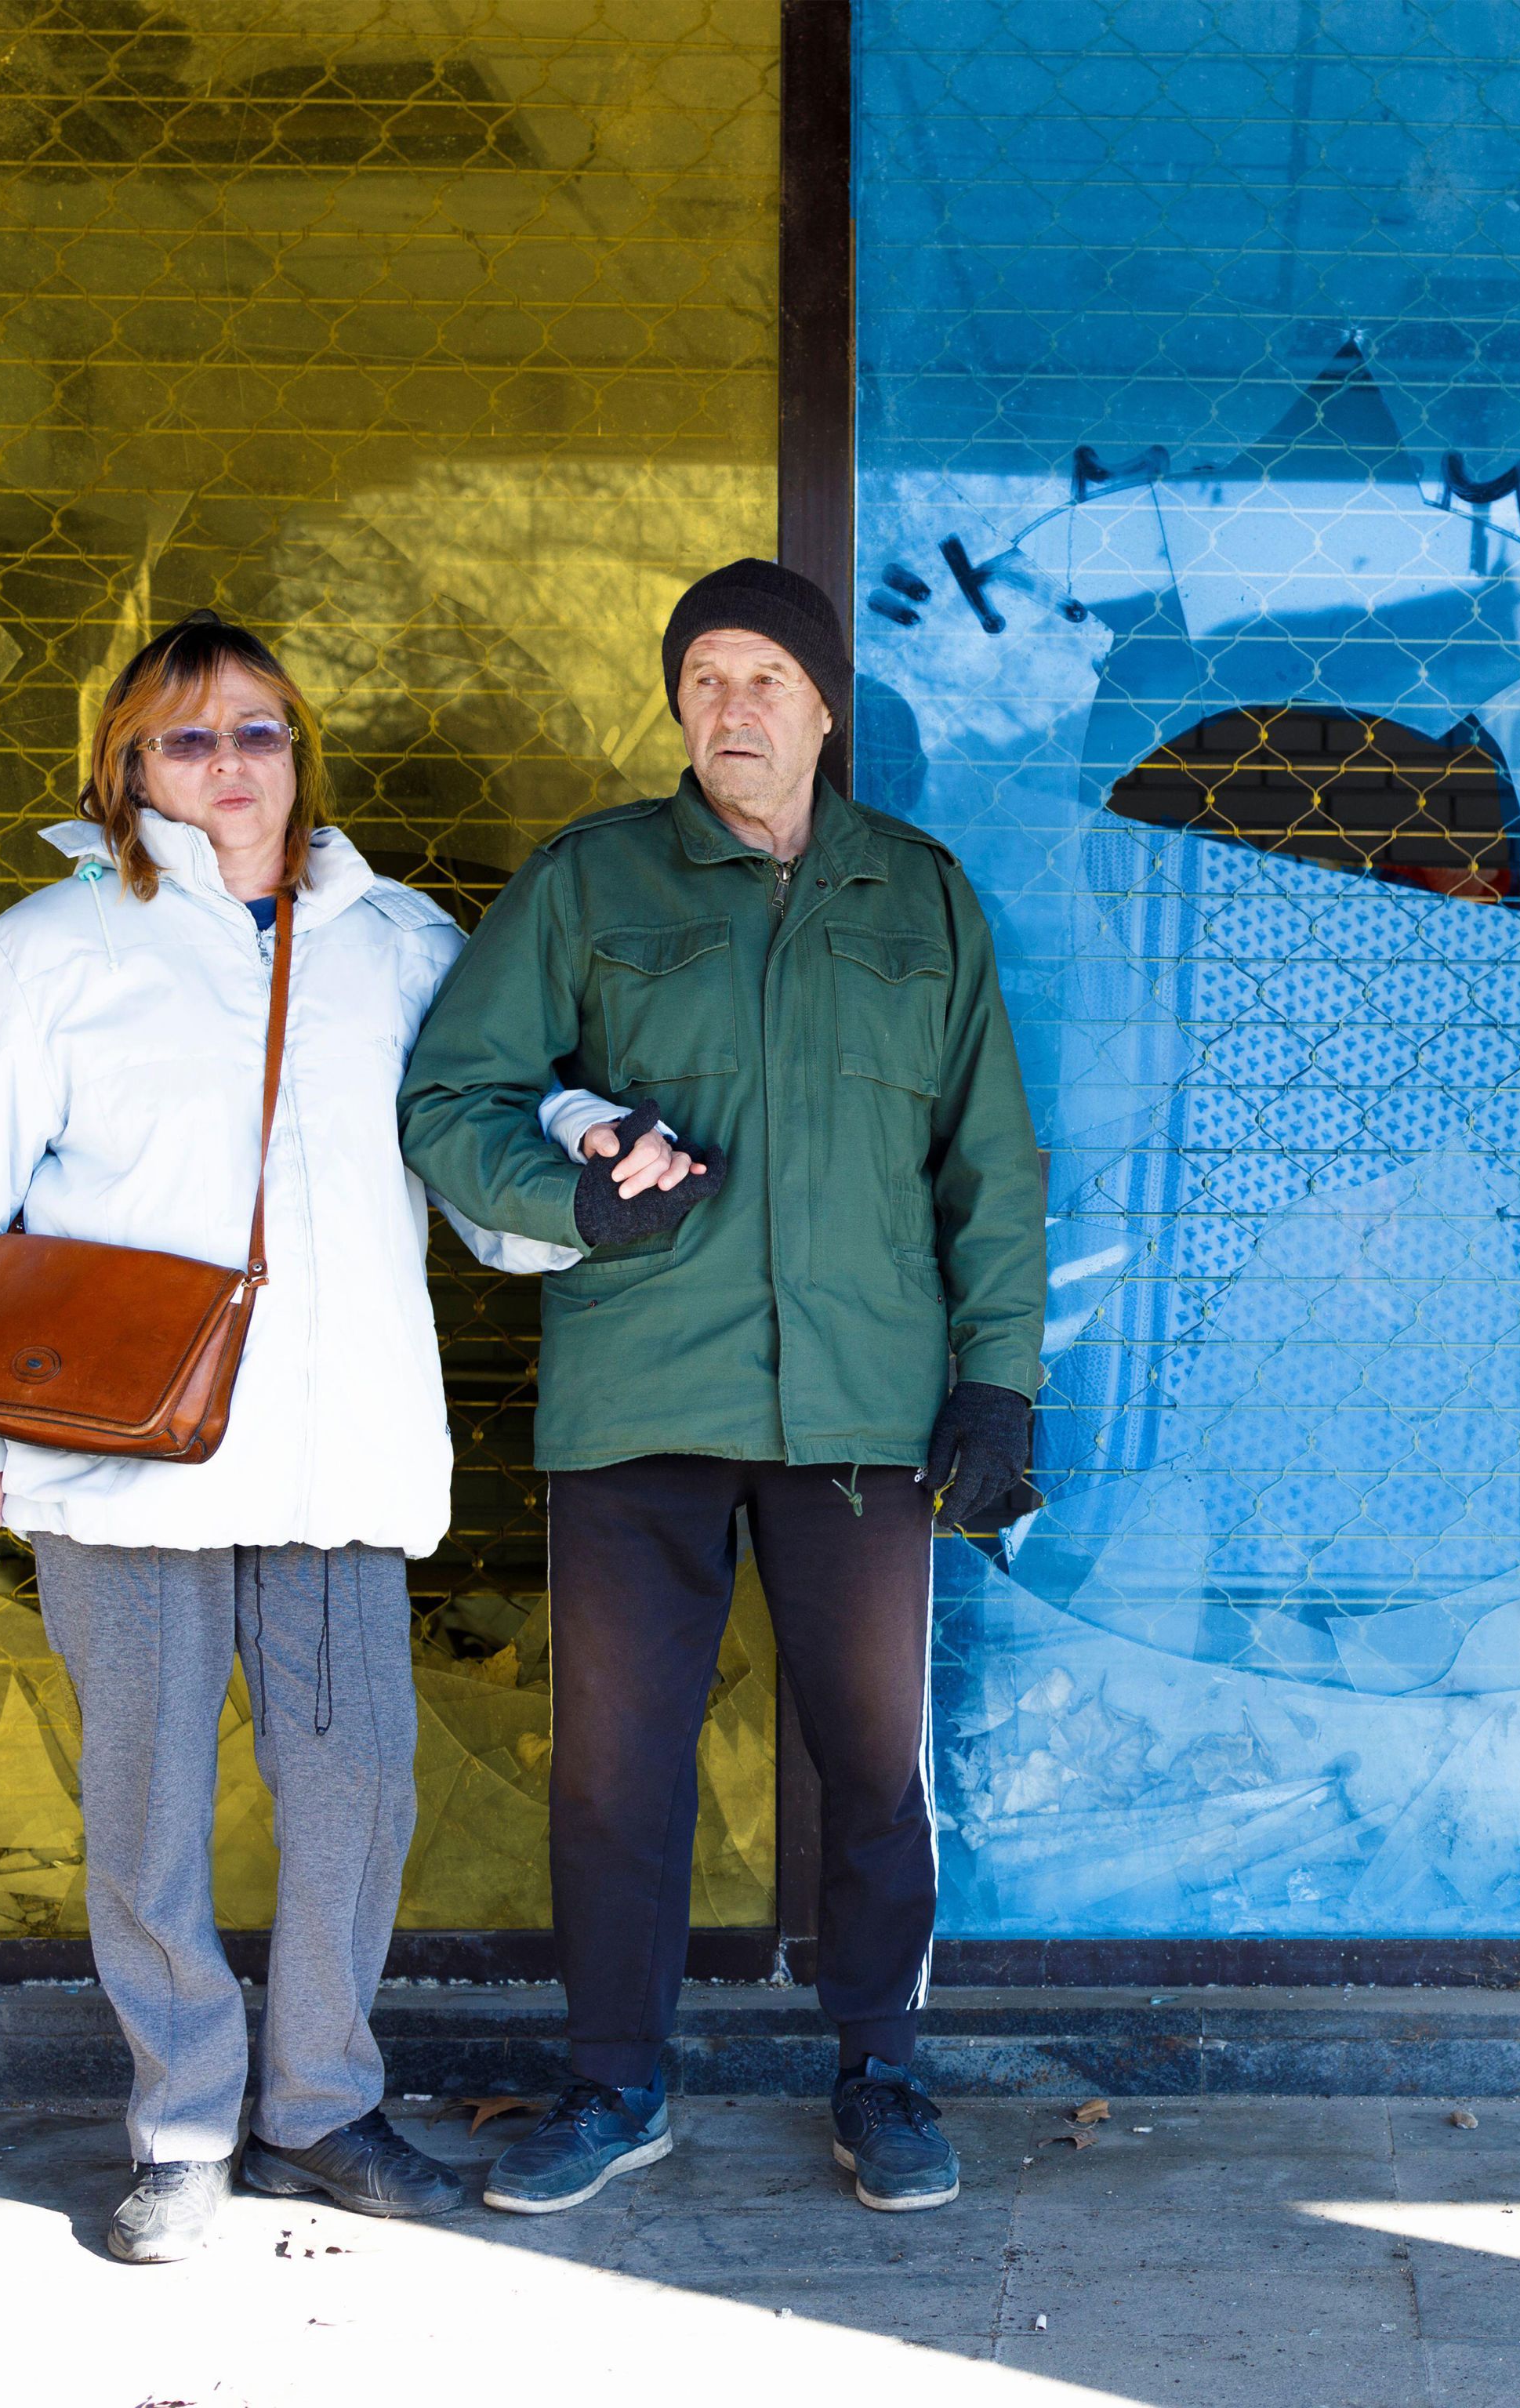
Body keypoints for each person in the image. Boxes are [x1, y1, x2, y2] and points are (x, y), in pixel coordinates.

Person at [0, 611, 576, 2264]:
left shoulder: (398, 941)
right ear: (125, 768)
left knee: (354, 1790)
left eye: (257, 730)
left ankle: (318, 2111)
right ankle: (182, 2128)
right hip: (122, 1457)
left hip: (336, 1446)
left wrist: (587, 1174)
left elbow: (482, 1139)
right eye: (185, 737)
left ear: (299, 750)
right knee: (149, 1804)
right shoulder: (48, 951)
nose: (228, 765)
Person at [400, 557, 1049, 2216]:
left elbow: (988, 1164)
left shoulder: (920, 899)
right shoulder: (592, 882)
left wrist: (996, 1382)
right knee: (615, 1769)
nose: (731, 708)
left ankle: (882, 2070)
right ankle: (616, 2082)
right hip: (639, 1399)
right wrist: (574, 1203)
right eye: (703, 680)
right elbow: (448, 1097)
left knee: (873, 1761)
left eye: (765, 678)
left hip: (861, 1413)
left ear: (825, 707)